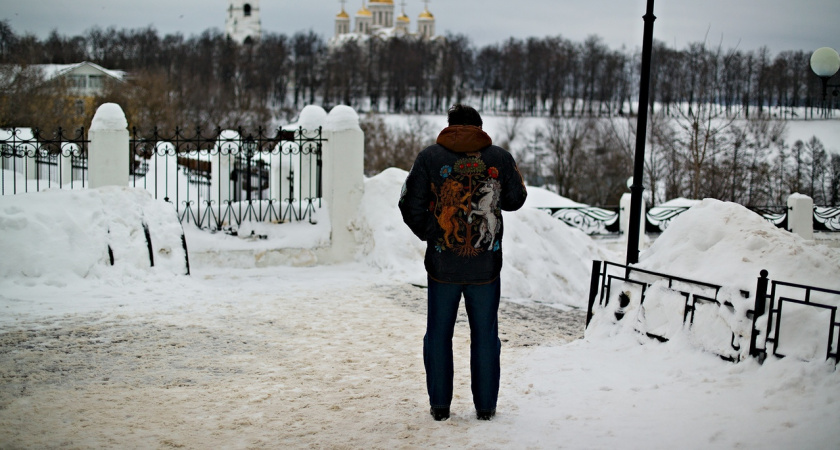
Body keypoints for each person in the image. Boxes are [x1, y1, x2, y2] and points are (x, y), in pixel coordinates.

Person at [399, 104, 527, 421]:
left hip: (443, 266)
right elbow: (516, 200)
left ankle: (440, 408)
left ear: (450, 126)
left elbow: (408, 204)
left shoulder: (429, 158)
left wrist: (434, 232)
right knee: (485, 336)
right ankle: (485, 408)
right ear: (479, 128)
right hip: (485, 266)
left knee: (438, 335)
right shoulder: (498, 157)